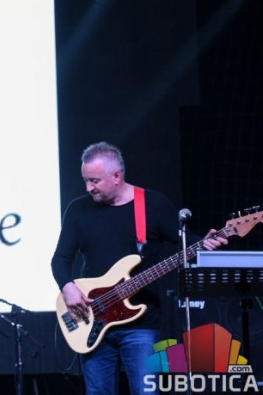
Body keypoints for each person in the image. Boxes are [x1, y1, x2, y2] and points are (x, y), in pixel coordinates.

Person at [51, 141, 227, 395]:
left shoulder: (153, 204)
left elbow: (185, 241)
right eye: (86, 180)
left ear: (116, 176)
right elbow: (60, 259)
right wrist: (68, 288)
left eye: (94, 181)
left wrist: (206, 242)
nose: (89, 188)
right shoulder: (78, 210)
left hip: (142, 324)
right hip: (92, 321)